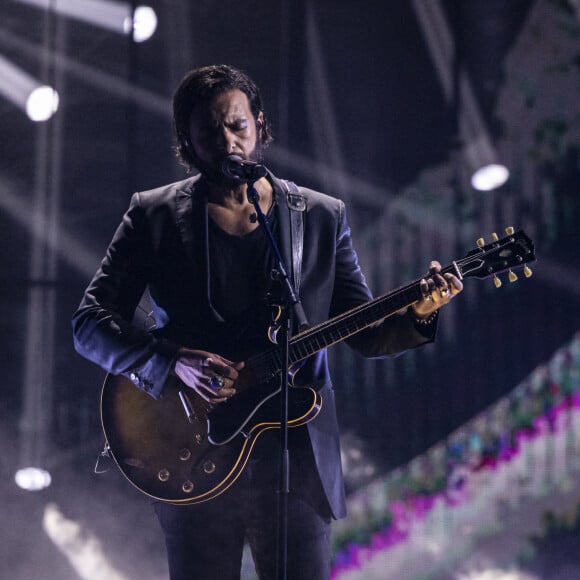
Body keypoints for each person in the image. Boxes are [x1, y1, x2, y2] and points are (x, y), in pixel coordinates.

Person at [72, 64, 463, 580]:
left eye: (237, 125)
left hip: (296, 462)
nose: (228, 141)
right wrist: (170, 363)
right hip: (192, 454)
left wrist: (420, 312)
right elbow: (89, 324)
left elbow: (365, 333)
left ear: (259, 123)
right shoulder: (154, 215)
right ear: (188, 142)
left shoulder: (321, 217)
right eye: (210, 131)